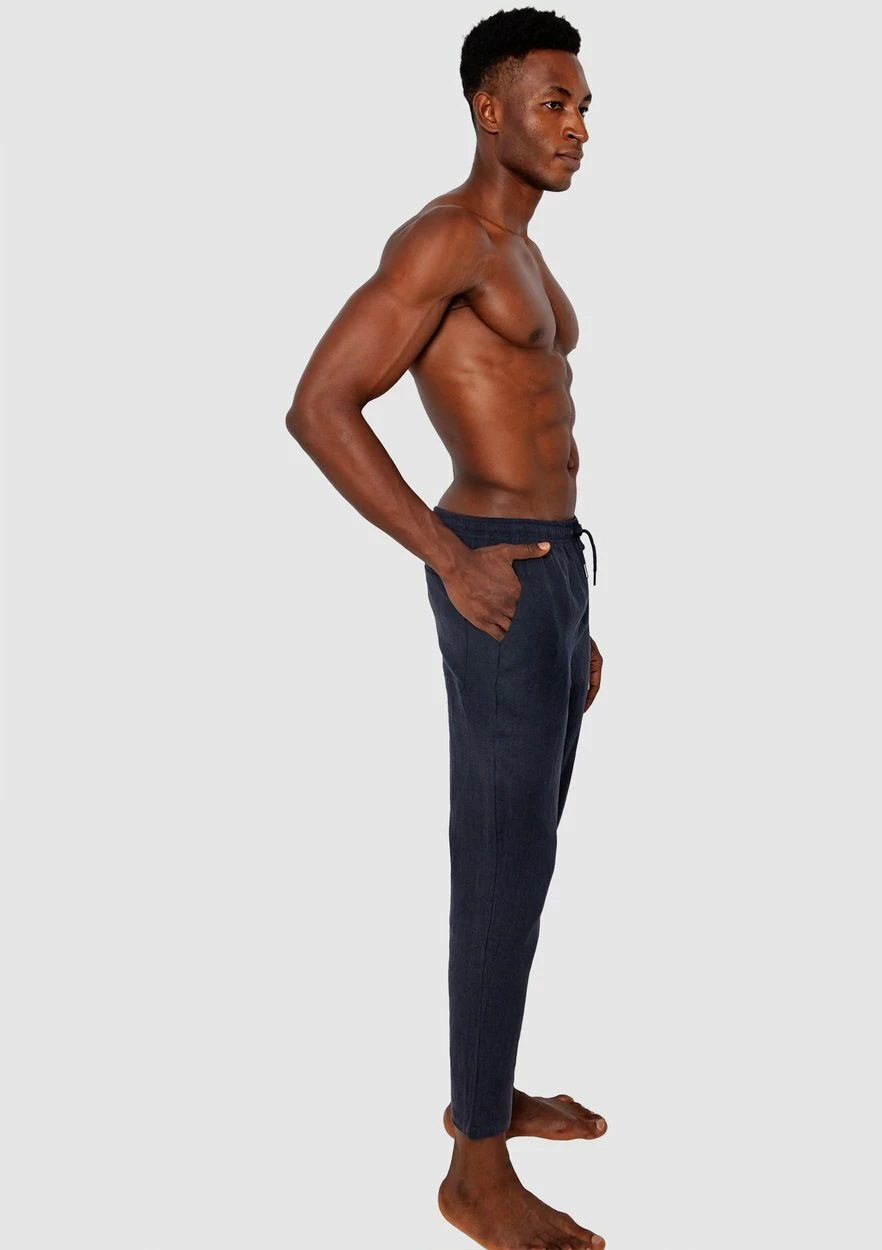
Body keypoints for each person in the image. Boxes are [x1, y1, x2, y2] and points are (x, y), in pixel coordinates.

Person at [285, 8, 606, 1248]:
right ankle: (475, 1171)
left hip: (550, 574)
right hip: (491, 572)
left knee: (527, 858)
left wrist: (571, 614)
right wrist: (447, 556)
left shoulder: (525, 253)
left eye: (584, 108)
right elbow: (320, 403)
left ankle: (487, 1089)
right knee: (496, 864)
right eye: (553, 103)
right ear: (488, 108)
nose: (576, 129)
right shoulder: (446, 238)